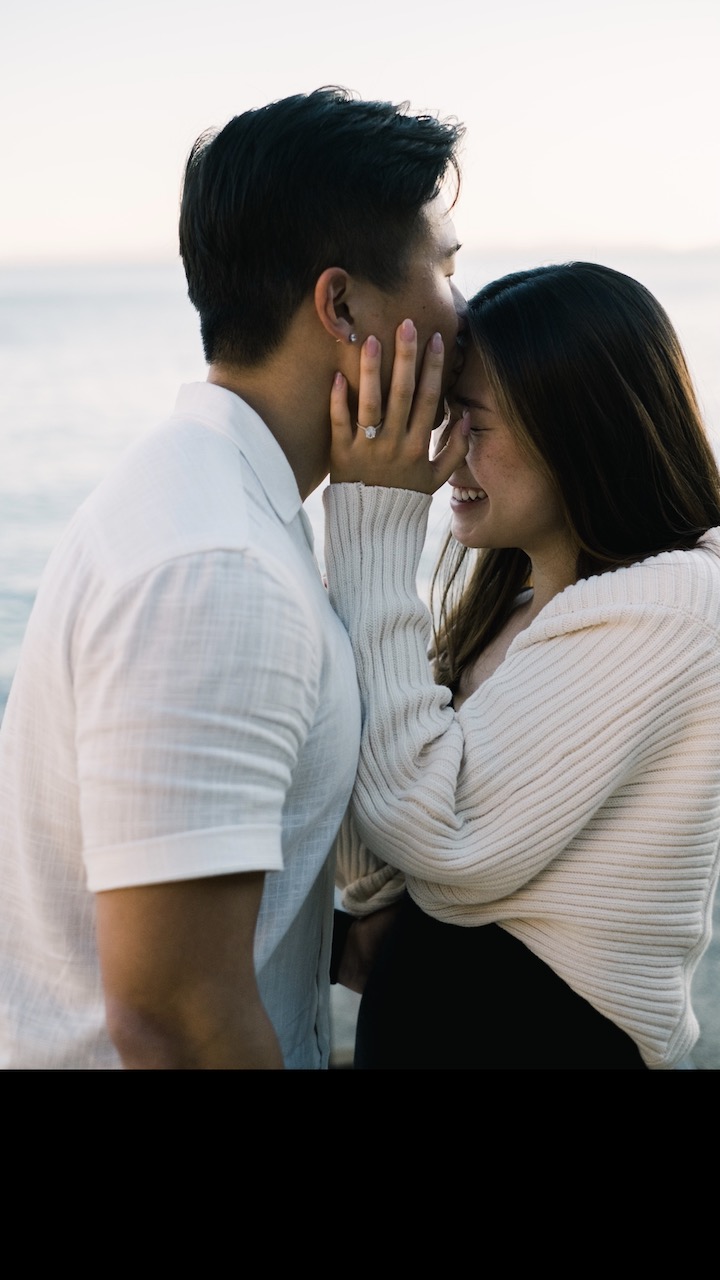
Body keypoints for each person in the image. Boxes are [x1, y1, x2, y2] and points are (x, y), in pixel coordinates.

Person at [0, 87, 466, 1069]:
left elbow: (177, 913)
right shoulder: (218, 570)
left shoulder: (219, 500)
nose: (464, 316)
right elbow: (172, 1009)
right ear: (340, 304)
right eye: (448, 271)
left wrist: (328, 942)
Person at [325, 261, 720, 1070]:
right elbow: (388, 820)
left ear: (579, 430)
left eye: (472, 422)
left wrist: (371, 512)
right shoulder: (519, 610)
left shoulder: (671, 609)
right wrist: (376, 912)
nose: (442, 454)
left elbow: (438, 837)